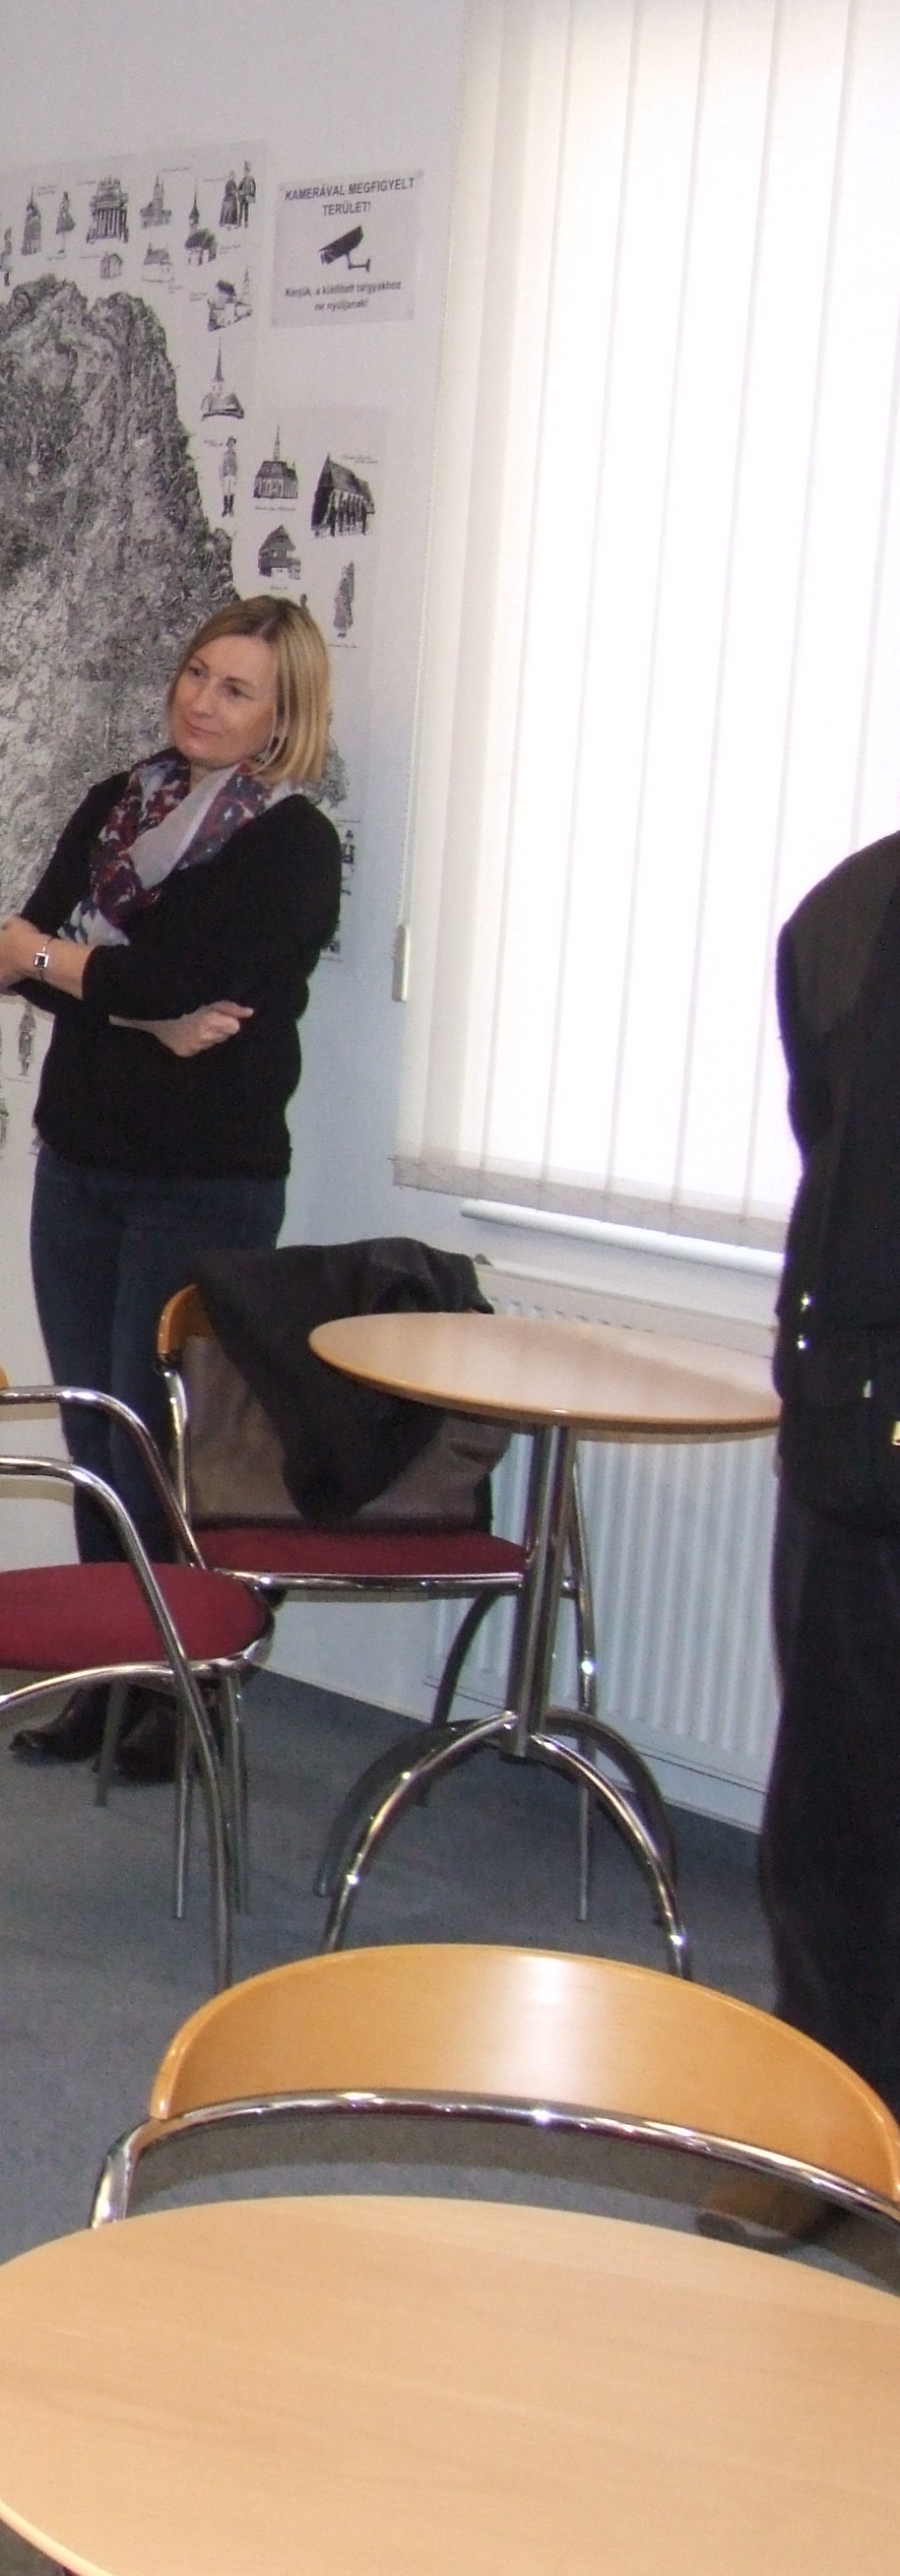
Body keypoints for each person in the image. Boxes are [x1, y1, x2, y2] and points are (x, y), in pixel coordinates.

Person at [0, 595, 340, 1781]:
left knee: (162, 1447)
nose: (201, 701)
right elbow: (14, 955)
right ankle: (104, 1674)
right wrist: (132, 1004)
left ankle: (178, 1692)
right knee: (92, 1430)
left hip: (202, 1184)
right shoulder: (116, 802)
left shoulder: (290, 846)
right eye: (194, 673)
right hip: (78, 1162)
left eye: (235, 689)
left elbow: (179, 979)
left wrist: (90, 976)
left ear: (282, 715)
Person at [726, 823, 900, 2242]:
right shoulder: (850, 910)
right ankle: (835, 2131)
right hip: (855, 1416)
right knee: (831, 1806)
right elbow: (825, 1136)